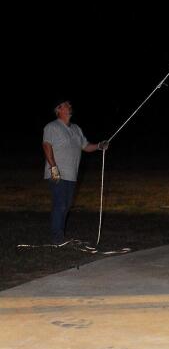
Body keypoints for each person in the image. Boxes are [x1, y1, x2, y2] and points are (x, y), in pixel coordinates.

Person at [42, 100, 109, 245]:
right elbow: (47, 146)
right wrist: (53, 167)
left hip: (72, 175)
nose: (69, 106)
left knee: (66, 206)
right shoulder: (51, 127)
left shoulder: (76, 129)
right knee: (59, 205)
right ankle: (57, 239)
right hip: (57, 173)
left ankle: (59, 235)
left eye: (69, 104)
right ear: (58, 109)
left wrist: (99, 146)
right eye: (66, 105)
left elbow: (85, 146)